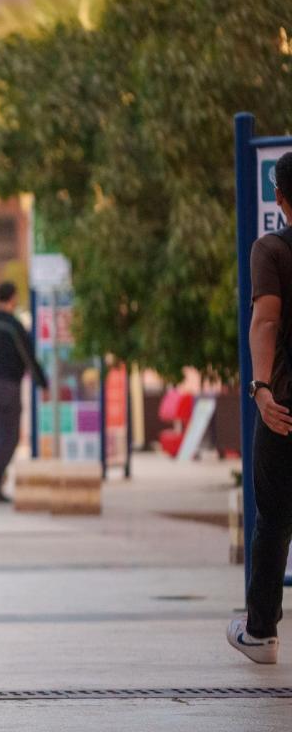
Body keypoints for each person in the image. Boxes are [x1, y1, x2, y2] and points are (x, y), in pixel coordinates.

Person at [232, 150, 292, 665]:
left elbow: (265, 322)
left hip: (286, 410)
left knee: (273, 517)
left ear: (279, 198)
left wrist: (261, 387)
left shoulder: (271, 249)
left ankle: (261, 633)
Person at [0, 281, 48, 503]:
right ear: (13, 298)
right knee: (9, 436)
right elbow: (27, 356)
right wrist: (42, 384)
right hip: (6, 386)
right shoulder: (12, 326)